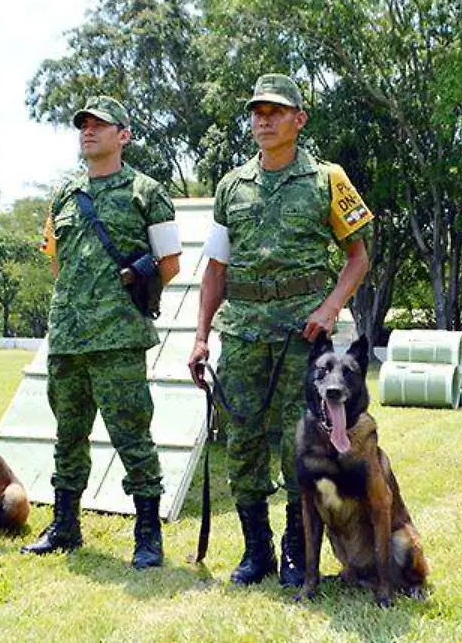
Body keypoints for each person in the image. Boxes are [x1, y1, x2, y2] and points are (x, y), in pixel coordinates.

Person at [187, 74, 372, 587]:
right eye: (257, 112)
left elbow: (358, 256)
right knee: (242, 441)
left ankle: (296, 550)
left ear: (299, 119)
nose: (263, 119)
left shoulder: (327, 179)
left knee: (300, 443)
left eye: (275, 111)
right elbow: (215, 270)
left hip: (302, 339)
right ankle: (256, 550)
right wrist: (202, 336)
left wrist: (332, 308)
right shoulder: (231, 186)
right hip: (243, 335)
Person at [21, 95, 181, 569]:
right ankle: (66, 525)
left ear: (123, 135)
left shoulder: (146, 191)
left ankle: (147, 534)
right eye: (83, 125)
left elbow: (169, 263)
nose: (88, 131)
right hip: (68, 337)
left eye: (100, 125)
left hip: (118, 339)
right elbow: (56, 260)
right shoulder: (65, 194)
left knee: (132, 436)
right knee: (68, 434)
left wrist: (119, 298)